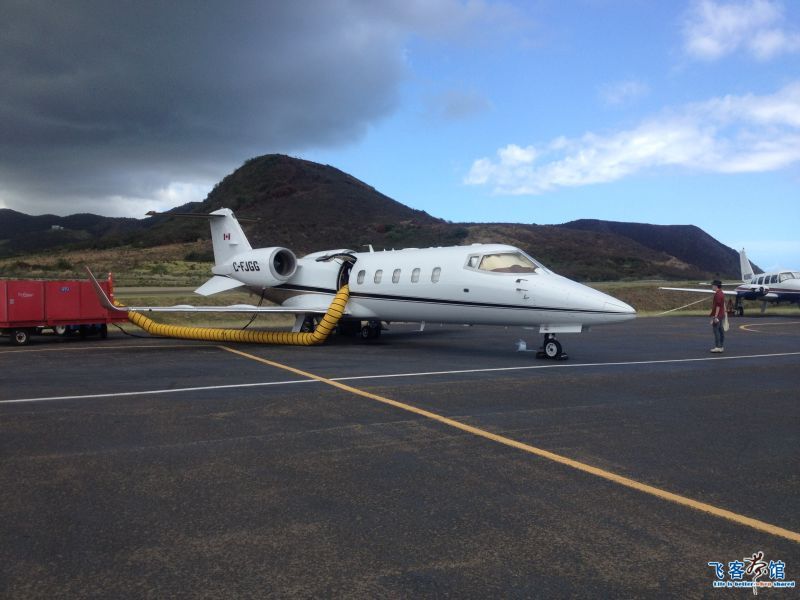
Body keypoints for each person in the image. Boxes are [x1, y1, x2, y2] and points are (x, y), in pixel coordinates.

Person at [710, 280, 726, 353]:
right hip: (721, 314)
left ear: (716, 286)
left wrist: (715, 317)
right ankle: (721, 346)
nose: (712, 286)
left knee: (716, 331)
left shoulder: (718, 294)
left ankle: (718, 347)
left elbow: (718, 306)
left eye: (712, 285)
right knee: (720, 331)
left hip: (718, 315)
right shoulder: (721, 293)